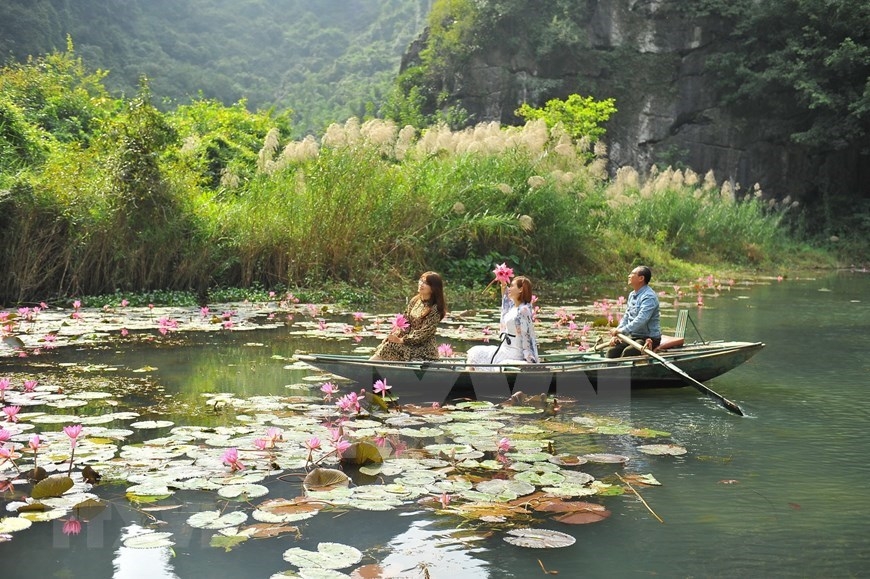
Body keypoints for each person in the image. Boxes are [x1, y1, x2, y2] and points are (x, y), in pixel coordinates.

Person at [370, 271, 447, 361]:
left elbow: (423, 334)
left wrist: (401, 340)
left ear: (433, 288)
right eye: (421, 281)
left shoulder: (435, 309)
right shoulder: (415, 301)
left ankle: (368, 367)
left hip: (424, 349)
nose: (421, 284)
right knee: (388, 342)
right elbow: (405, 322)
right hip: (410, 344)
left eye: (426, 283)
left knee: (391, 345)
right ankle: (371, 367)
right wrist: (395, 335)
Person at [466, 275, 539, 369]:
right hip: (505, 348)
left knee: (476, 353)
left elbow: (526, 337)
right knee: (475, 352)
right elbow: (506, 301)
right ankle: (470, 378)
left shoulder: (523, 310)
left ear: (520, 289)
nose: (510, 288)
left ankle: (468, 379)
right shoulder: (514, 307)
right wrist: (503, 283)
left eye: (512, 286)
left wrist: (529, 358)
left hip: (514, 353)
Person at [606, 265, 661, 357]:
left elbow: (642, 319)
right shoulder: (632, 295)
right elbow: (627, 316)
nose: (629, 276)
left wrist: (622, 330)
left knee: (628, 352)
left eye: (632, 274)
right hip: (633, 336)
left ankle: (623, 371)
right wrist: (618, 332)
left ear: (641, 278)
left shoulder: (649, 297)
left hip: (648, 338)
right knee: (612, 351)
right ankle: (607, 371)